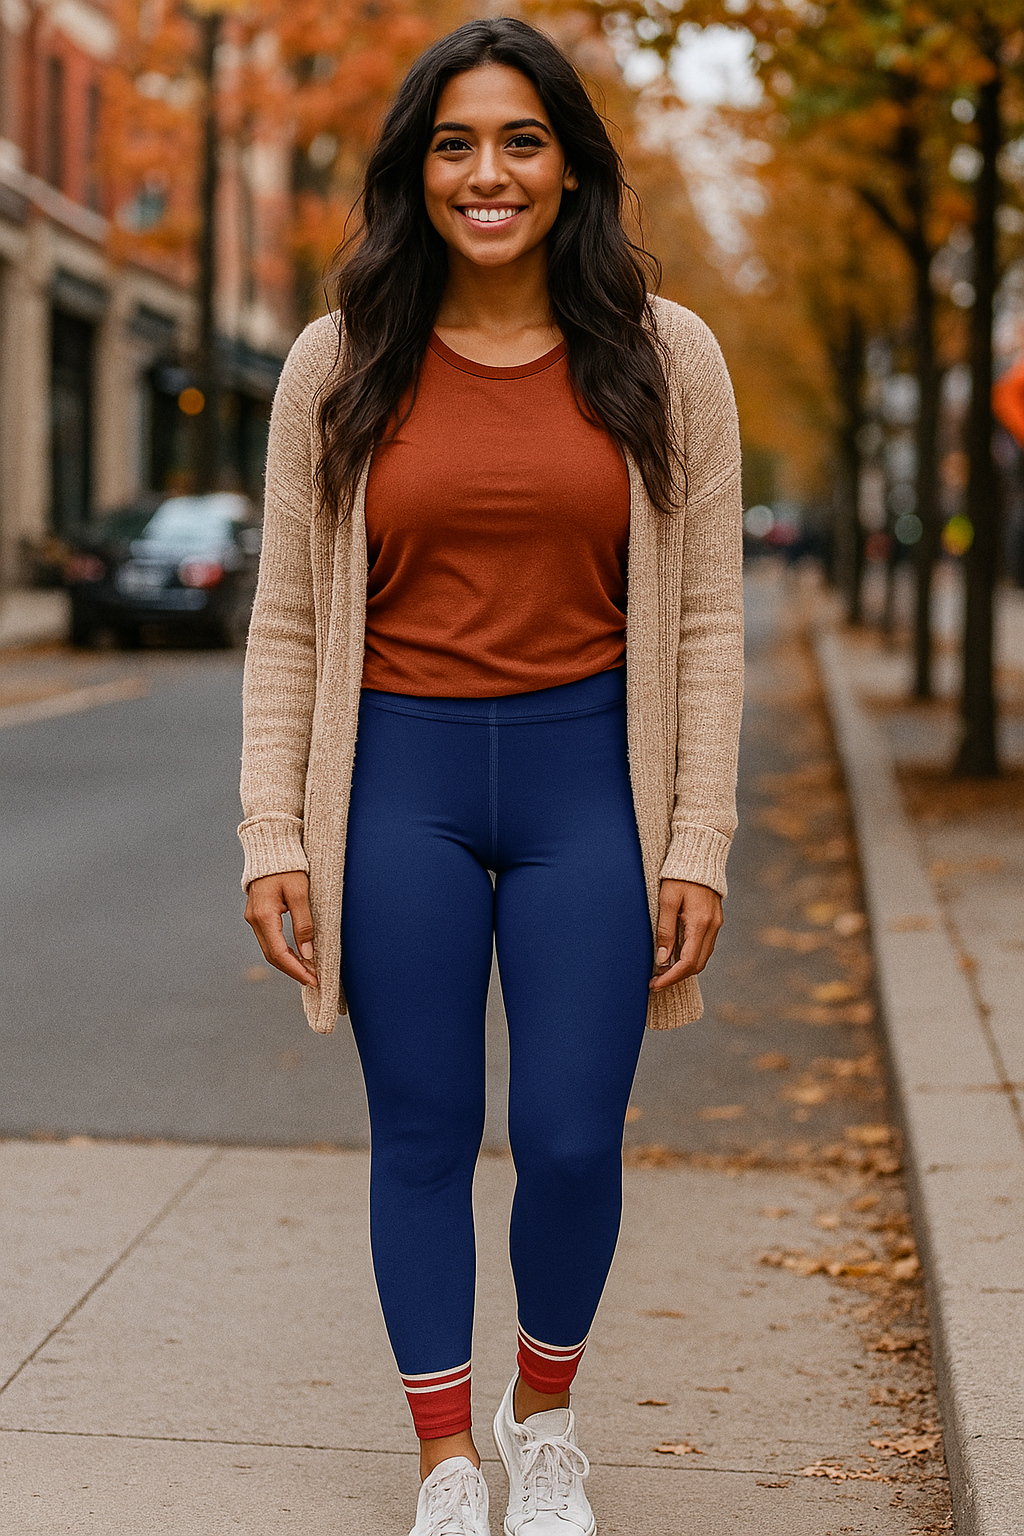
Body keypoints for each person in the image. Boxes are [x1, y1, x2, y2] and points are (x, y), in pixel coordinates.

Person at [240, 17, 743, 1536]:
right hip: (399, 777)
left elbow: (710, 609)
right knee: (424, 1131)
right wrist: (273, 825)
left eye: (522, 140)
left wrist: (698, 835)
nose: (489, 173)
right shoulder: (341, 361)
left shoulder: (669, 357)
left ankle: (544, 1416)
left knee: (577, 1135)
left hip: (595, 775)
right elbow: (285, 616)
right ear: (416, 171)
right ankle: (445, 1462)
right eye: (455, 143)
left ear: (574, 166)